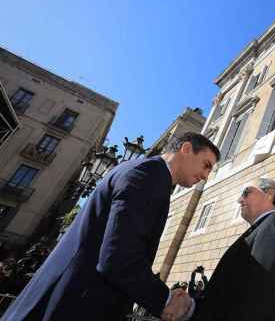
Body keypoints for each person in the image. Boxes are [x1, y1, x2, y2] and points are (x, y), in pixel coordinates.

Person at [1, 132, 219, 321]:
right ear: (186, 148)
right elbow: (118, 257)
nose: (205, 177)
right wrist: (167, 300)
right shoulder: (149, 176)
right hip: (72, 305)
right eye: (206, 165)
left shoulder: (144, 172)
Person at [189, 177, 275, 321]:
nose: (239, 200)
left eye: (246, 192)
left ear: (270, 194)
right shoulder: (265, 226)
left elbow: (258, 295)